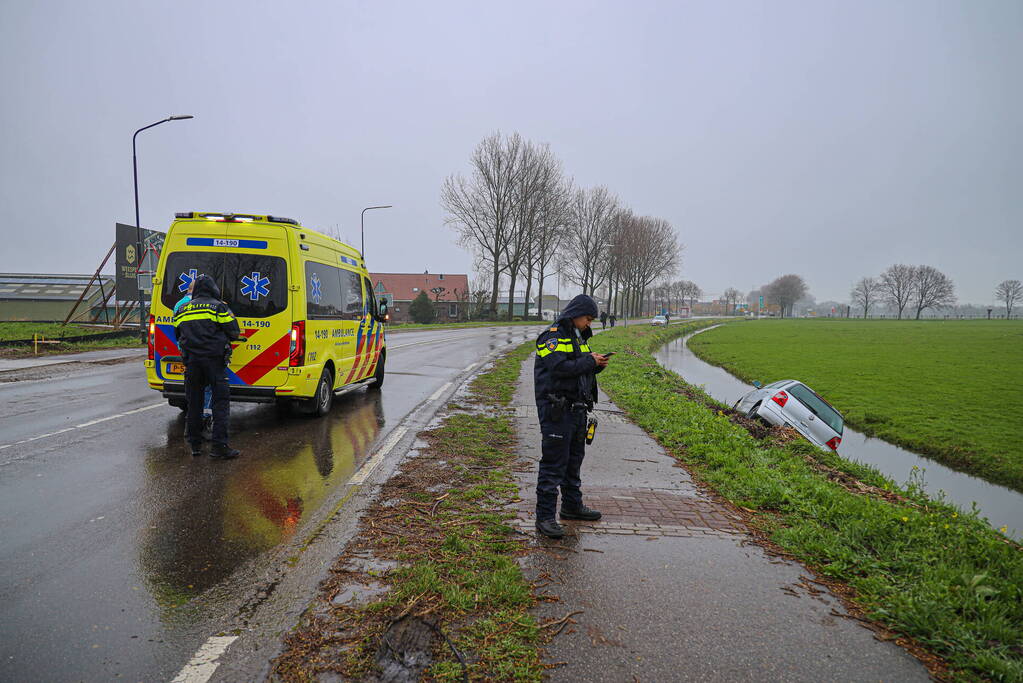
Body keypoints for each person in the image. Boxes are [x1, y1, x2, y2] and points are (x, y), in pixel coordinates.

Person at [532, 294, 610, 538]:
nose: (589, 324)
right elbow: (559, 368)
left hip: (577, 409)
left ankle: (571, 506)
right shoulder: (551, 337)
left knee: (573, 461)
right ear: (576, 314)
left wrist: (596, 364)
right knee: (554, 463)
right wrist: (588, 362)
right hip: (557, 409)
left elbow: (579, 368)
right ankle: (545, 517)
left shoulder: (578, 336)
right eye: (587, 319)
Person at [172, 275, 241, 459]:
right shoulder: (218, 307)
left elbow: (177, 333)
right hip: (214, 362)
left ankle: (195, 445)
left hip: (192, 362)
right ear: (213, 288)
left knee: (194, 404)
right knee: (220, 403)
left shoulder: (182, 309)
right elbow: (234, 331)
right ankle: (219, 447)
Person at [174, 280, 214, 438]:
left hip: (186, 351)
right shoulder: (205, 304)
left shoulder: (179, 305)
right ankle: (203, 422)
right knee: (207, 388)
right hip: (204, 352)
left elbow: (178, 330)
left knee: (191, 388)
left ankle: (190, 424)